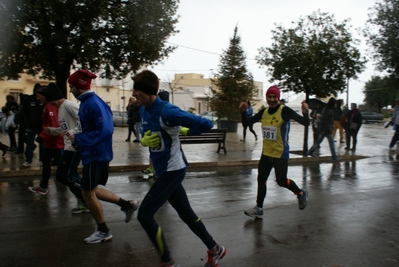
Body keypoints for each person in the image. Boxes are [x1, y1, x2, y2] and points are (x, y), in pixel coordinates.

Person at [133, 70, 226, 267]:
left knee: (144, 215)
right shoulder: (143, 110)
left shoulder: (168, 111)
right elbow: (147, 133)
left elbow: (206, 123)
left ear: (148, 91)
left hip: (173, 169)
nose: (134, 95)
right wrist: (144, 140)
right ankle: (215, 248)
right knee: (186, 214)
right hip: (162, 170)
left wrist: (187, 129)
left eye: (137, 91)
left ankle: (167, 261)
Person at [66, 70, 139, 244]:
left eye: (71, 87)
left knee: (87, 193)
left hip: (96, 155)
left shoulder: (92, 103)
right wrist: (77, 137)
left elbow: (106, 129)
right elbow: (92, 129)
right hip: (93, 153)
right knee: (89, 190)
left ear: (79, 86)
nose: (70, 90)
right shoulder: (88, 102)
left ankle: (103, 230)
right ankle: (127, 205)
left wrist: (79, 138)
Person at [239, 85, 309, 219]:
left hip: (280, 154)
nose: (271, 99)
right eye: (269, 97)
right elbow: (246, 124)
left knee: (281, 181)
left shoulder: (285, 111)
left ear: (278, 98)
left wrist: (305, 113)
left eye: (274, 97)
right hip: (266, 153)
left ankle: (300, 193)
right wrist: (243, 112)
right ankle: (259, 208)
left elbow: (305, 123)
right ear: (266, 98)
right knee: (261, 180)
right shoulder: (264, 112)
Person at [42, 83, 89, 213]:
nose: (52, 105)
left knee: (63, 175)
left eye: (51, 102)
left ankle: (87, 194)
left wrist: (74, 133)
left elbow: (83, 121)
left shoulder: (68, 105)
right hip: (69, 145)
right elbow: (65, 129)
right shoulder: (61, 108)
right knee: (68, 174)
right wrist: (52, 130)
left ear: (54, 98)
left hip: (74, 146)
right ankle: (86, 199)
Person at [28, 86, 64, 195]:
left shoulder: (50, 107)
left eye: (39, 96)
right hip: (50, 142)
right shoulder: (46, 106)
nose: (38, 98)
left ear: (45, 96)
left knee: (65, 168)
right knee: (46, 162)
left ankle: (82, 191)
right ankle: (43, 186)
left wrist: (42, 135)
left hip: (56, 143)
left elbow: (53, 124)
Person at [307, 98, 340, 162]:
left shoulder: (326, 109)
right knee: (331, 143)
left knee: (318, 142)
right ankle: (334, 157)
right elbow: (325, 120)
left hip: (325, 129)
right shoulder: (329, 110)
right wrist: (324, 129)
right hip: (327, 129)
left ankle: (310, 151)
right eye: (335, 103)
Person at [21, 83, 44, 167]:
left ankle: (42, 160)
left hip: (41, 126)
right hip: (31, 126)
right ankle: (28, 160)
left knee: (42, 144)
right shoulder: (29, 99)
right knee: (29, 143)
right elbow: (24, 111)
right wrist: (27, 121)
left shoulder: (43, 100)